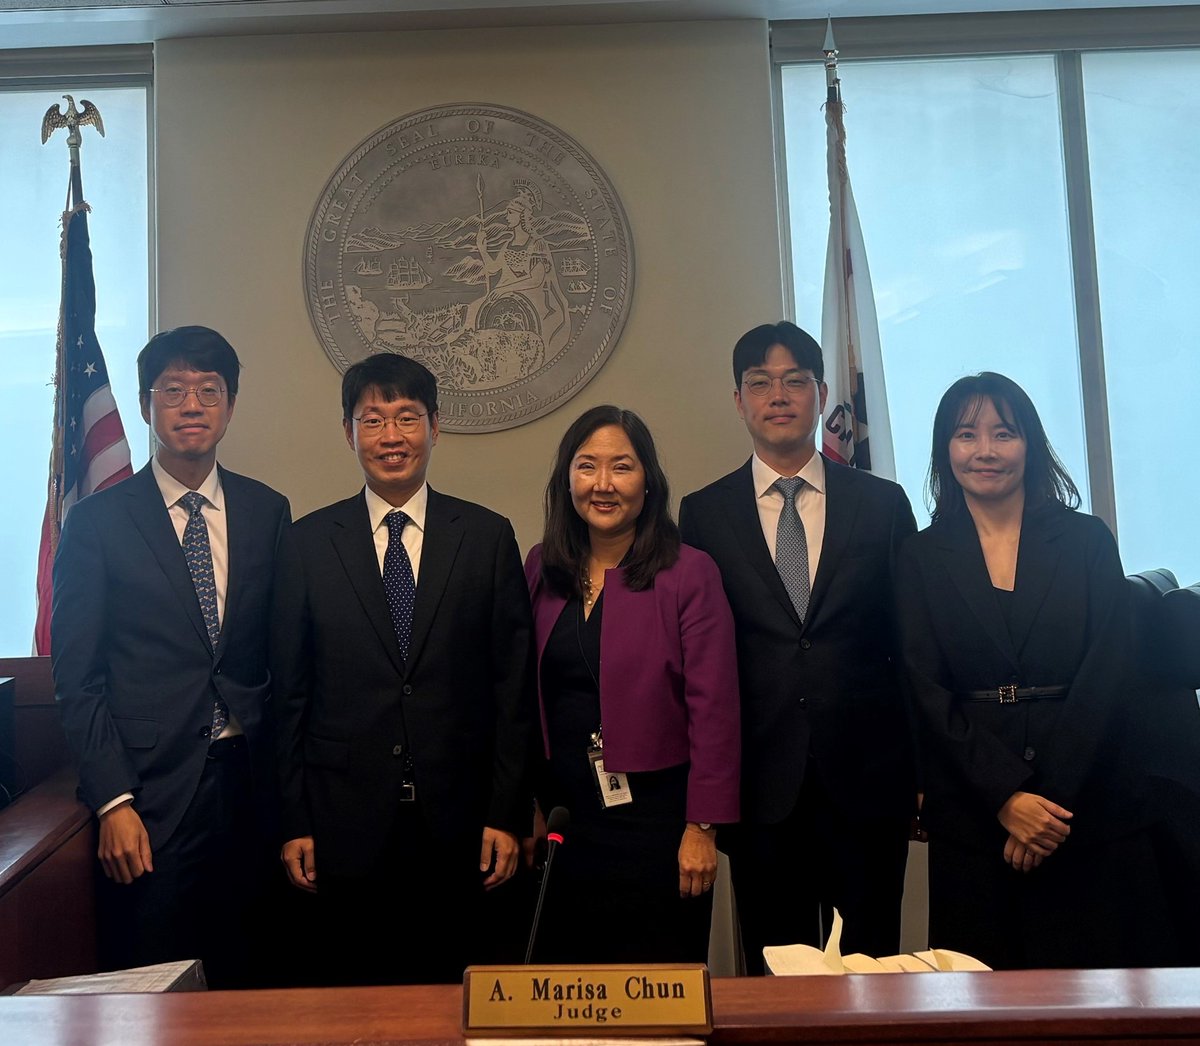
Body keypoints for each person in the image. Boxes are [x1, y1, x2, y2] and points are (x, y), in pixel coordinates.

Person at [271, 351, 537, 985]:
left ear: (435, 427)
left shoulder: (486, 536)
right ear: (348, 432)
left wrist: (506, 810)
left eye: (408, 417)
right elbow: (288, 696)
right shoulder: (307, 545)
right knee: (358, 1001)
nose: (392, 437)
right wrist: (294, 822)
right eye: (373, 420)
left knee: (460, 996)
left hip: (463, 824)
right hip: (345, 824)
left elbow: (513, 689)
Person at [896, 371, 1169, 969]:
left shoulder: (1088, 540)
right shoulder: (916, 555)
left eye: (1004, 433)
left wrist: (1045, 802)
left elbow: (1109, 674)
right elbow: (924, 688)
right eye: (967, 435)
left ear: (1031, 445)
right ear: (945, 450)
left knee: (1100, 1003)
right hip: (973, 817)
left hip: (1089, 809)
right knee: (984, 1004)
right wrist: (1005, 798)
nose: (985, 451)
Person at [52, 325, 291, 987]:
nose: (193, 405)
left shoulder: (267, 511)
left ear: (230, 405)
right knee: (158, 986)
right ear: (145, 402)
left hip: (250, 789)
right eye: (175, 390)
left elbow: (282, 658)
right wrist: (113, 802)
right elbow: (79, 677)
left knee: (254, 978)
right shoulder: (97, 524)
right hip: (151, 797)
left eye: (209, 391)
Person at [678, 322, 916, 973]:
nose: (777, 396)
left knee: (871, 971)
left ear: (821, 394)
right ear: (739, 401)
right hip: (759, 786)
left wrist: (922, 772)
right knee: (773, 977)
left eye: (793, 382)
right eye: (760, 384)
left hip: (870, 782)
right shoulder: (703, 514)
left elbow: (913, 646)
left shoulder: (883, 505)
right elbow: (699, 660)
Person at [525, 405, 740, 963]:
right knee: (566, 995)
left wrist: (703, 827)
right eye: (586, 466)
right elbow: (518, 697)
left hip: (660, 825)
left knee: (658, 996)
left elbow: (714, 709)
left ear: (648, 480)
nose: (602, 484)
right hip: (563, 817)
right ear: (565, 479)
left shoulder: (689, 573)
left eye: (621, 467)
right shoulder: (539, 568)